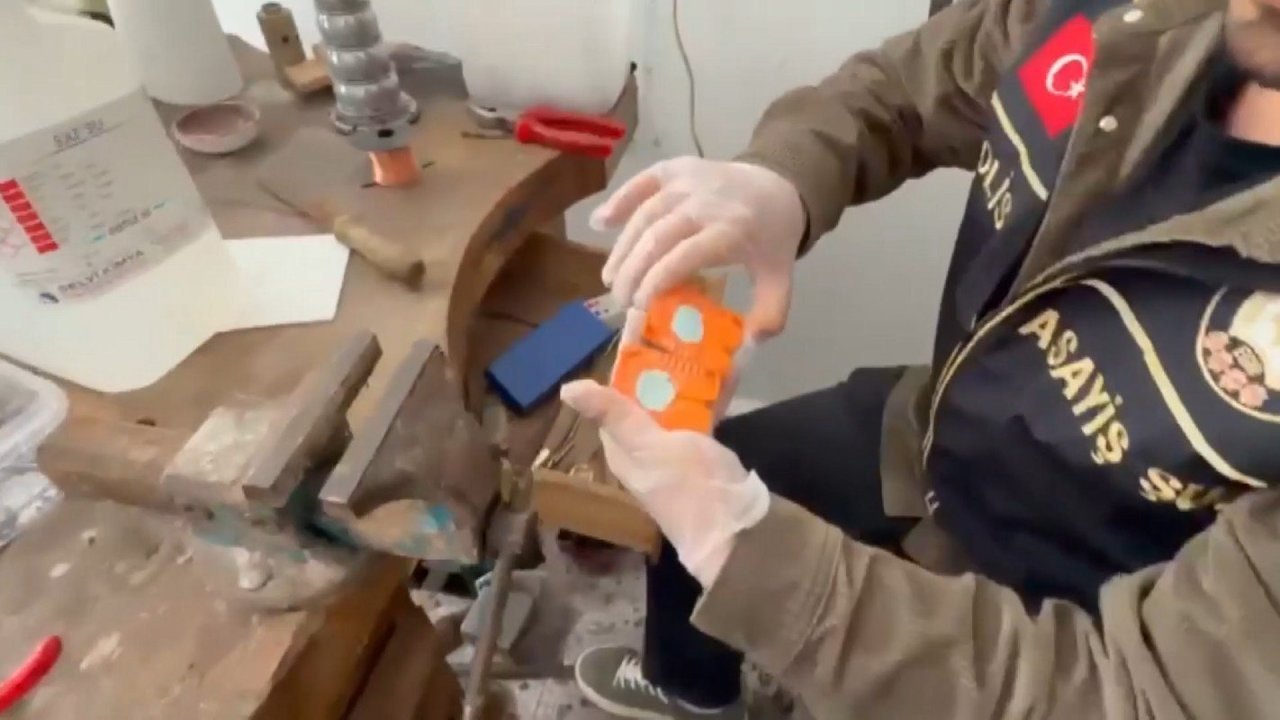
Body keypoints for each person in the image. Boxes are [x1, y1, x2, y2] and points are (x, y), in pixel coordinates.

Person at [560, 0, 1280, 718]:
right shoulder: (1138, 13)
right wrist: (784, 178)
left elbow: (1128, 696)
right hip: (945, 434)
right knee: (716, 484)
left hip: (1074, 613)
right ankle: (690, 694)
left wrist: (762, 565)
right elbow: (917, 81)